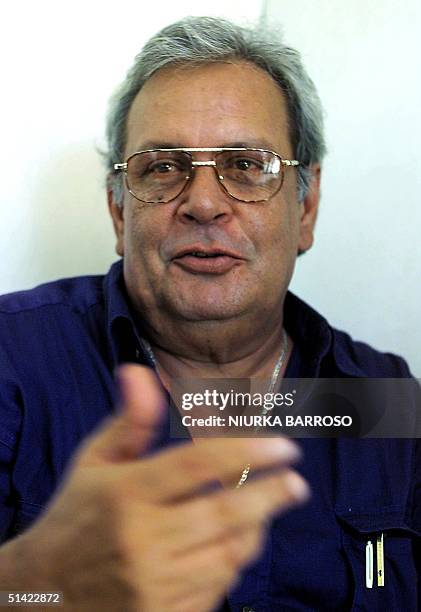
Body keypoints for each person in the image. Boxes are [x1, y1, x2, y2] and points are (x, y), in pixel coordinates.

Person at [0, 15, 419, 612]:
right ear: (120, 213)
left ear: (307, 206)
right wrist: (36, 583)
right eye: (163, 167)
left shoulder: (385, 399)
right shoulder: (13, 361)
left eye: (247, 165)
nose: (202, 202)